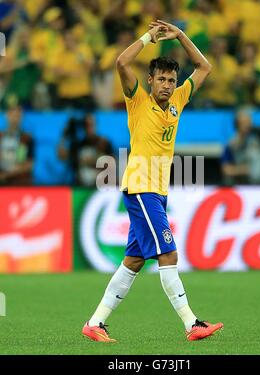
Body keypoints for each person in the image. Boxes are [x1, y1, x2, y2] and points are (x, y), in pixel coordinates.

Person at [82, 20, 223, 342]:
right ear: (150, 80)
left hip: (158, 192)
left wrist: (181, 35)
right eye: (161, 79)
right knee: (168, 255)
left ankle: (95, 323)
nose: (167, 85)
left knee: (133, 261)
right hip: (141, 188)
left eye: (171, 80)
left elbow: (204, 66)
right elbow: (120, 62)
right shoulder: (138, 100)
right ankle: (192, 324)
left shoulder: (178, 101)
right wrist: (148, 37)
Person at [221, 109, 260, 185]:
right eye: (244, 123)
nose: (247, 126)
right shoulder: (231, 144)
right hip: (239, 185)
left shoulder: (258, 141)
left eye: (249, 123)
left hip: (258, 184)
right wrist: (245, 170)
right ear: (237, 125)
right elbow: (226, 170)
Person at [0, 100, 34, 185]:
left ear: (22, 117)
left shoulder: (27, 138)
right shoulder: (0, 136)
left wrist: (8, 174)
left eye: (18, 115)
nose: (15, 118)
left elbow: (30, 163)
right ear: (7, 115)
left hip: (20, 182)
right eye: (13, 115)